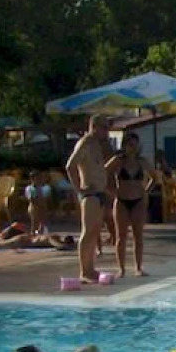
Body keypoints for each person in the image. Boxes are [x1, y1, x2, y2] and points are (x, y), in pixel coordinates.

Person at [105, 131, 158, 278]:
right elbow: (103, 174)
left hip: (138, 200)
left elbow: (155, 177)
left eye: (135, 145)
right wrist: (111, 191)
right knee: (121, 237)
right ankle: (121, 268)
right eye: (130, 145)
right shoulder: (118, 161)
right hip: (121, 200)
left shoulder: (142, 162)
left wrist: (145, 191)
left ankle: (138, 268)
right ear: (124, 145)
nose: (133, 148)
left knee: (138, 235)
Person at [66, 115, 111, 283]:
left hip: (99, 193)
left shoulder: (97, 145)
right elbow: (70, 166)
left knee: (94, 232)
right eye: (104, 128)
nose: (107, 132)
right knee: (87, 231)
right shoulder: (85, 143)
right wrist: (79, 188)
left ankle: (90, 268)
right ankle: (84, 271)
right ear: (94, 126)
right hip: (90, 194)